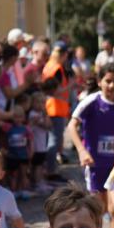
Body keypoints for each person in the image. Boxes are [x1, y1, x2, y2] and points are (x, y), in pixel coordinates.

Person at [68, 63, 114, 216]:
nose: (111, 85)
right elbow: (71, 126)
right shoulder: (91, 102)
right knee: (98, 206)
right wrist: (82, 151)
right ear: (99, 82)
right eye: (108, 81)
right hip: (95, 163)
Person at [42, 41, 72, 177]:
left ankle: (50, 169)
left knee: (51, 141)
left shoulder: (48, 66)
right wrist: (72, 86)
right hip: (56, 108)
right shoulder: (57, 69)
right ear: (64, 54)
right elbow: (56, 90)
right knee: (54, 142)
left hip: (51, 107)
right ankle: (51, 171)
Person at [6, 105, 34, 199]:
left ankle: (23, 190)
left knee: (23, 173)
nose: (17, 119)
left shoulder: (26, 129)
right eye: (15, 117)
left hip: (23, 155)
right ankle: (13, 191)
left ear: (23, 117)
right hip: (12, 155)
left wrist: (31, 151)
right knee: (14, 175)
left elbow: (30, 141)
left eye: (20, 117)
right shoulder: (8, 128)